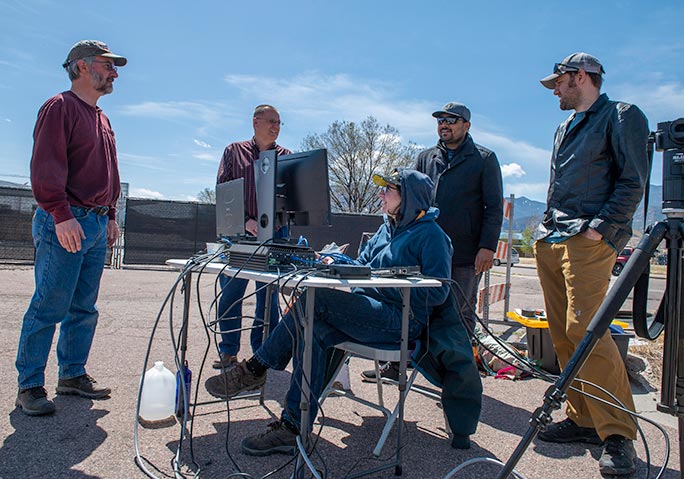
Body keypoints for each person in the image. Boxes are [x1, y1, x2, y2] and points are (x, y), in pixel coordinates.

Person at [205, 168, 454, 455]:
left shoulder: (432, 236)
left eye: (388, 189)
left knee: (319, 300)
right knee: (316, 330)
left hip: (400, 321)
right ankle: (292, 428)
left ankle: (256, 368)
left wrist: (391, 281)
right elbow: (360, 262)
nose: (380, 194)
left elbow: (439, 291)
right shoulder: (388, 228)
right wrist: (331, 258)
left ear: (410, 196)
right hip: (371, 312)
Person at [534, 52, 649, 475]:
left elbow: (633, 178)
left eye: (559, 83)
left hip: (589, 238)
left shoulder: (621, 115)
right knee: (564, 333)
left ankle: (618, 434)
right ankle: (584, 418)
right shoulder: (564, 126)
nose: (556, 92)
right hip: (554, 237)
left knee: (588, 330)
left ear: (580, 76)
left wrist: (599, 229)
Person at [15, 40, 127, 416]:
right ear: (81, 66)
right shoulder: (59, 107)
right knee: (49, 304)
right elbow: (46, 167)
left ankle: (72, 375)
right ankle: (29, 385)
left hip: (95, 223)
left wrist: (110, 215)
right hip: (66, 222)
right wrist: (61, 215)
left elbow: (109, 172)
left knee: (84, 307)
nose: (114, 72)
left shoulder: (102, 118)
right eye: (107, 65)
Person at [362, 102, 503, 383]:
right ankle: (396, 365)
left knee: (460, 313)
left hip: (463, 252)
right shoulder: (426, 157)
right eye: (440, 120)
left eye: (452, 120)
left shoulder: (483, 159)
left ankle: (460, 378)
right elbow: (411, 199)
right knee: (410, 307)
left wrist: (487, 246)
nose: (444, 125)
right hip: (420, 249)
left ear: (467, 125)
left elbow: (494, 207)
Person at [212, 105, 291, 370]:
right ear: (255, 122)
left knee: (267, 296)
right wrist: (245, 221)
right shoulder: (234, 152)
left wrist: (271, 224)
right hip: (239, 234)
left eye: (279, 122)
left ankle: (262, 354)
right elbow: (223, 191)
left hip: (276, 234)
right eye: (271, 121)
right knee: (231, 294)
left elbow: (292, 201)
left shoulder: (287, 157)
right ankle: (228, 351)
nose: (276, 127)